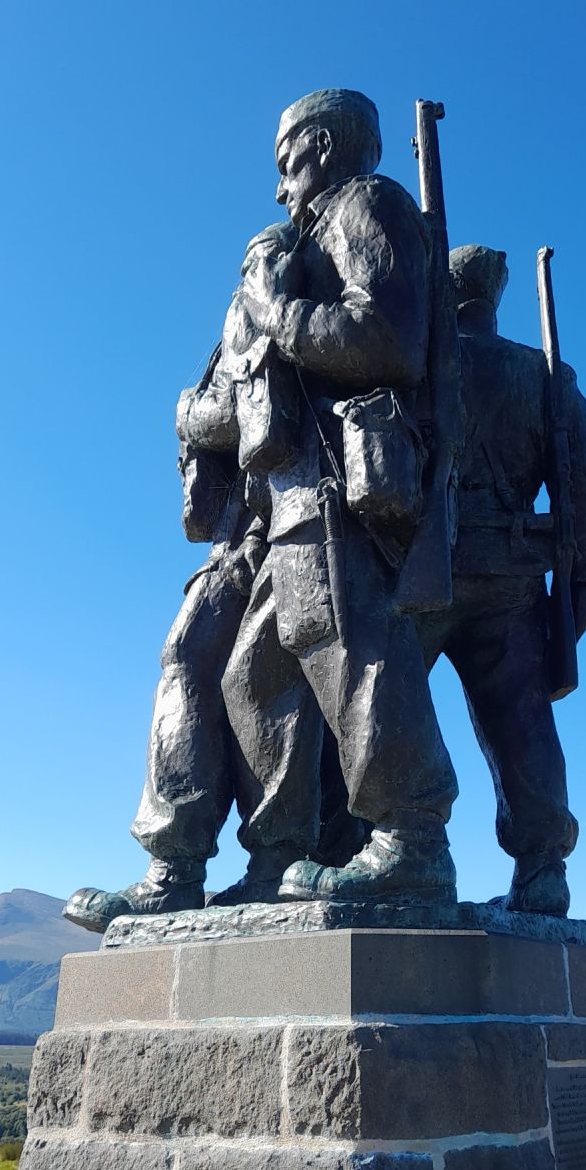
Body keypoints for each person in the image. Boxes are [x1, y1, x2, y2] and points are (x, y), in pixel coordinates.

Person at [222, 88, 459, 905]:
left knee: (355, 652)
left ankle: (412, 838)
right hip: (296, 494)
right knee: (254, 677)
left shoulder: (366, 204)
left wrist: (273, 310)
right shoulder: (311, 233)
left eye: (286, 164)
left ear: (320, 144)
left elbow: (383, 338)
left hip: (339, 490)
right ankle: (275, 858)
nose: (282, 187)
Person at [64, 224, 324, 932]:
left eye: (256, 264)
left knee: (261, 677)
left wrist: (188, 410)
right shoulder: (243, 323)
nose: (249, 275)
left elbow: (248, 411)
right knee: (189, 657)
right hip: (243, 537)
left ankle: (273, 860)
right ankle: (175, 868)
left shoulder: (293, 304)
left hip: (297, 521)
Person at [416, 244, 586, 915]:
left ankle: (391, 844)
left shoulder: (417, 358)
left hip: (423, 569)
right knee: (522, 723)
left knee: (380, 706)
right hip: (513, 577)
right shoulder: (543, 375)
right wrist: (580, 589)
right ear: (495, 298)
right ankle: (542, 868)